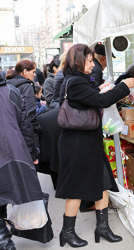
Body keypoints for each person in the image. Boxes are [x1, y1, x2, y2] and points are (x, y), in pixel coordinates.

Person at [56, 44, 134, 248]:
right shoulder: (74, 82)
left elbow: (93, 95)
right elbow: (100, 101)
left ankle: (102, 227)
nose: (93, 65)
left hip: (90, 140)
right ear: (78, 61)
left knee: (103, 183)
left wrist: (99, 88)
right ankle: (67, 232)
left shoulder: (81, 80)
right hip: (76, 143)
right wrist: (123, 86)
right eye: (90, 61)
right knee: (76, 188)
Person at [0, 73, 42, 250]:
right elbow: (25, 125)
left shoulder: (11, 91)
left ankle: (3, 238)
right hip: (10, 154)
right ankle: (4, 239)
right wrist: (32, 153)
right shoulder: (11, 92)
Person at [6, 60, 42, 134]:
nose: (35, 75)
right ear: (25, 71)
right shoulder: (27, 86)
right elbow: (30, 112)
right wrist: (38, 129)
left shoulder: (7, 84)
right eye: (33, 72)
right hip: (25, 130)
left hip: (10, 128)